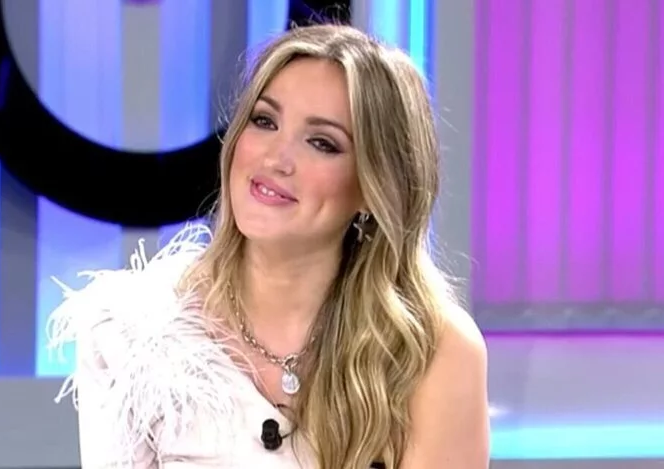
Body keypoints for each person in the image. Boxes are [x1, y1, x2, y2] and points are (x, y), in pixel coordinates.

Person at [48, 24, 489, 469]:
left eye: (322, 143)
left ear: (374, 189)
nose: (275, 159)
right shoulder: (129, 336)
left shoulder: (434, 351)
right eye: (264, 121)